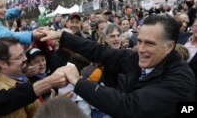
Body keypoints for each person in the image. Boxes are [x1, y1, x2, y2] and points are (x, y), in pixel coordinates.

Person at [40, 14, 196, 118]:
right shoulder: (143, 58)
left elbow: (128, 106)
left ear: (169, 47)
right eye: (140, 41)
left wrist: (78, 82)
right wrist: (63, 36)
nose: (140, 49)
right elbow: (102, 52)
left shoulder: (180, 80)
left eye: (149, 44)